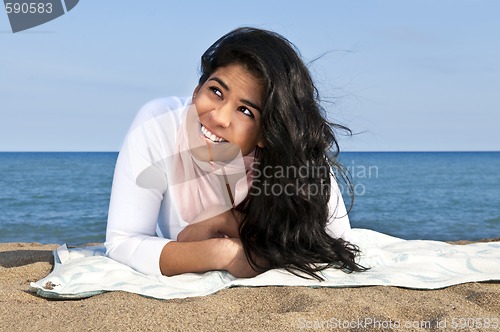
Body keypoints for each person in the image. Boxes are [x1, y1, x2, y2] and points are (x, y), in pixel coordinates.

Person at [105, 27, 365, 280]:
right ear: (197, 89)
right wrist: (224, 254)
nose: (219, 117)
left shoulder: (297, 155)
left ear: (266, 132)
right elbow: (122, 242)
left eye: (246, 111)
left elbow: (337, 244)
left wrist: (232, 221)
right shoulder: (159, 124)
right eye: (216, 91)